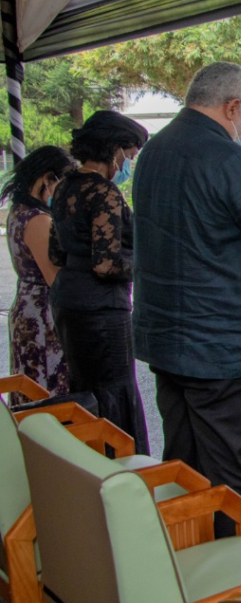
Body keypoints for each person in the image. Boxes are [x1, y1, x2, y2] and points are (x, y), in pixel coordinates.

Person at [132, 61, 241, 535]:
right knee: (232, 478)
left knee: (184, 465)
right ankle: (233, 573)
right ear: (233, 106)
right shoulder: (230, 161)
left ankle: (188, 563)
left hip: (165, 337)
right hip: (220, 343)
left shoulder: (153, 150)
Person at [49, 111, 150, 453]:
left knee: (85, 390)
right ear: (114, 149)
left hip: (68, 299)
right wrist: (145, 264)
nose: (128, 162)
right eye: (129, 154)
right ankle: (120, 465)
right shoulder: (104, 191)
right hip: (102, 309)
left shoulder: (64, 186)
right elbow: (106, 264)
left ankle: (87, 464)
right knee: (113, 391)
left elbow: (55, 252)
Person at [2, 146, 74, 404]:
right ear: (47, 179)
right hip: (42, 315)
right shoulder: (38, 220)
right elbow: (53, 277)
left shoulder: (18, 211)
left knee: (30, 386)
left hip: (27, 306)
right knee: (46, 390)